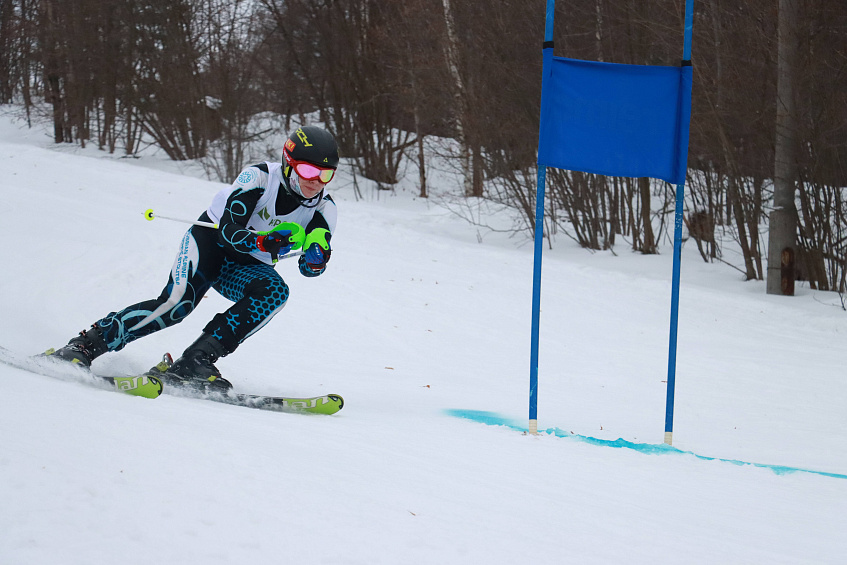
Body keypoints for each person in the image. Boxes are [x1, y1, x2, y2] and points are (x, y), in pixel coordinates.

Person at [47, 126, 339, 391]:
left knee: (275, 292)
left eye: (325, 175)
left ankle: (195, 361)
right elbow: (228, 231)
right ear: (289, 163)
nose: (316, 182)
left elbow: (309, 268)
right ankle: (85, 345)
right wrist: (262, 240)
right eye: (308, 171)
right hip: (210, 243)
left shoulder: (324, 210)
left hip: (246, 266)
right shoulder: (259, 178)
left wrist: (316, 259)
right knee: (177, 305)